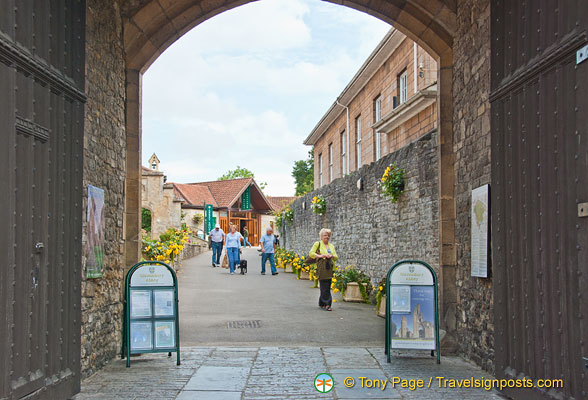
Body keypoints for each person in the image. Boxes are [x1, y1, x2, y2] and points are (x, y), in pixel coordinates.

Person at [308, 228, 338, 311]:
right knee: (324, 285)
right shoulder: (318, 244)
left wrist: (331, 256)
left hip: (329, 267)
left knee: (327, 285)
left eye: (328, 235)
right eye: (325, 235)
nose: (327, 237)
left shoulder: (331, 246)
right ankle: (327, 304)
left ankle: (322, 303)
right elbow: (311, 253)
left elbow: (336, 257)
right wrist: (321, 256)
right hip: (322, 267)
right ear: (321, 236)